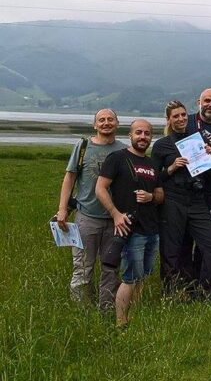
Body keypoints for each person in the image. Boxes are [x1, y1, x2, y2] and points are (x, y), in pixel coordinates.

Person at [95, 119, 163, 327]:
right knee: (130, 277)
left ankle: (134, 316)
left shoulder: (152, 164)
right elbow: (100, 188)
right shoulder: (117, 158)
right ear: (130, 135)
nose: (143, 137)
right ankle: (121, 323)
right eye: (139, 133)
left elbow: (160, 194)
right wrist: (115, 214)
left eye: (147, 133)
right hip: (131, 229)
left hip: (152, 228)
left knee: (143, 277)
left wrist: (151, 197)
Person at [152, 100, 211, 298]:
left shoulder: (197, 140)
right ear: (168, 119)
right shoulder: (161, 145)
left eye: (183, 115)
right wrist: (172, 168)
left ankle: (205, 291)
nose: (181, 119)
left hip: (197, 199)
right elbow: (152, 178)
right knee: (171, 251)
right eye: (176, 116)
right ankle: (171, 294)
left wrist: (209, 156)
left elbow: (209, 176)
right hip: (173, 199)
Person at [55, 109, 124, 310]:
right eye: (101, 120)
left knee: (111, 268)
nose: (106, 123)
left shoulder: (123, 150)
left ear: (117, 123)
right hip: (86, 217)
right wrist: (62, 209)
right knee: (82, 267)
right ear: (95, 125)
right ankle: (80, 311)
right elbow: (69, 178)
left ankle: (107, 307)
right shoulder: (83, 146)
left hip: (114, 220)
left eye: (110, 119)